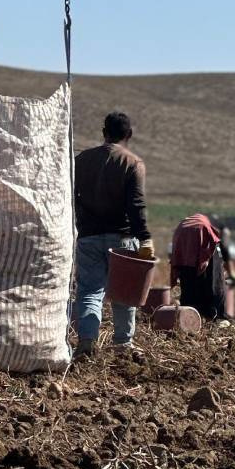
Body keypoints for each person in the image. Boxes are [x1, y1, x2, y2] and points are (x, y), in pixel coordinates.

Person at [72, 112, 155, 355]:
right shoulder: (132, 163)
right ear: (128, 135)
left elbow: (72, 197)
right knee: (124, 292)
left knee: (89, 291)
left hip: (88, 236)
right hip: (122, 238)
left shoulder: (81, 160)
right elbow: (136, 205)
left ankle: (86, 342)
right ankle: (122, 344)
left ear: (104, 132)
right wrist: (145, 237)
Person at [170, 213, 235, 326]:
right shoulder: (216, 231)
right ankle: (216, 315)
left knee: (188, 276)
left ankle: (189, 315)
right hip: (201, 230)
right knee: (214, 279)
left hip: (182, 234)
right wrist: (232, 273)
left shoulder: (202, 222)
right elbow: (225, 254)